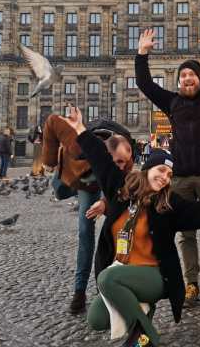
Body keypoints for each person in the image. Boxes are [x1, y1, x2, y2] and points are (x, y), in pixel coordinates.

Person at [64, 107, 200, 347]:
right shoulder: (121, 189)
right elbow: (100, 159)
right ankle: (141, 309)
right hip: (123, 269)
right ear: (148, 168)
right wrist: (79, 129)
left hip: (153, 275)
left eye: (170, 174)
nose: (165, 177)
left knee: (107, 280)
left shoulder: (170, 204)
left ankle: (147, 340)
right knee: (97, 319)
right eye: (161, 170)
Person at [135, 25, 200, 310]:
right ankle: (191, 283)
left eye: (191, 75)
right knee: (186, 234)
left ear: (199, 78)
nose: (187, 79)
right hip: (179, 178)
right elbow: (145, 85)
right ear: (179, 81)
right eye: (183, 76)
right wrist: (142, 54)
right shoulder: (172, 102)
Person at [41, 113, 137, 315]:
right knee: (85, 231)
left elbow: (121, 187)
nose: (117, 165)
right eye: (114, 162)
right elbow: (51, 121)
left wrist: (105, 202)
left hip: (107, 184)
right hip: (87, 181)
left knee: (115, 230)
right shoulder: (78, 146)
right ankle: (79, 291)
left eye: (119, 163)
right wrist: (49, 160)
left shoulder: (123, 160)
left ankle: (112, 287)